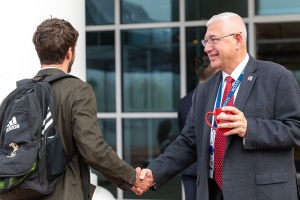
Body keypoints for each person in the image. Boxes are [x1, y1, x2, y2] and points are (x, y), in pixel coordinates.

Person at [132, 12, 300, 200]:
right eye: (205, 41)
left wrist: (249, 128)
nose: (207, 48)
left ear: (237, 39)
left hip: (261, 193)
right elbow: (188, 142)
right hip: (213, 193)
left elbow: (296, 129)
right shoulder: (204, 90)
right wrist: (154, 173)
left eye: (213, 40)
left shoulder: (277, 76)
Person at [0, 18, 151, 200]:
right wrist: (133, 178)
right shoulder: (78, 90)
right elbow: (93, 148)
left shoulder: (16, 95)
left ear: (39, 52)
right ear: (69, 52)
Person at [177, 55, 218, 200]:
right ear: (217, 70)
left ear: (196, 71)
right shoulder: (217, 100)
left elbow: (185, 136)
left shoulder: (184, 101)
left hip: (190, 166)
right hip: (212, 168)